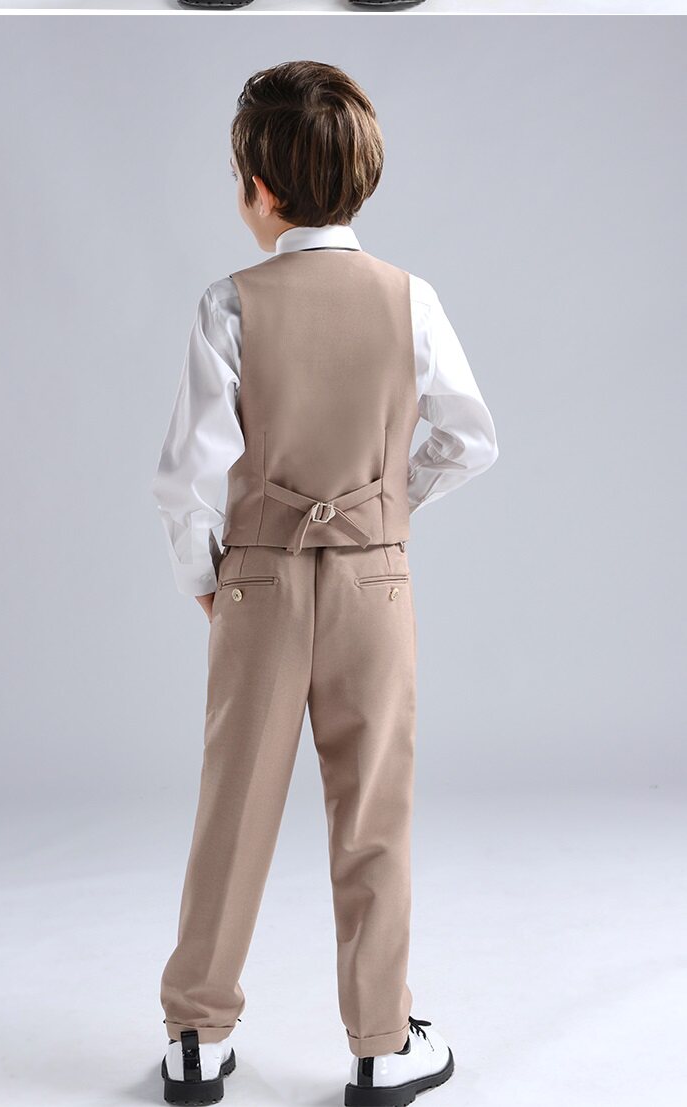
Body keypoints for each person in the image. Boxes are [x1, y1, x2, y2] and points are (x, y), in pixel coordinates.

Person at [151, 60, 498, 1107]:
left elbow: (187, 476)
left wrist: (207, 575)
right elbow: (470, 440)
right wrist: (383, 509)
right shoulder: (410, 297)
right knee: (373, 811)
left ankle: (197, 1039)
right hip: (373, 584)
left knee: (233, 805)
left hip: (257, 581)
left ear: (259, 187)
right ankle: (382, 1046)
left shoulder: (230, 302)